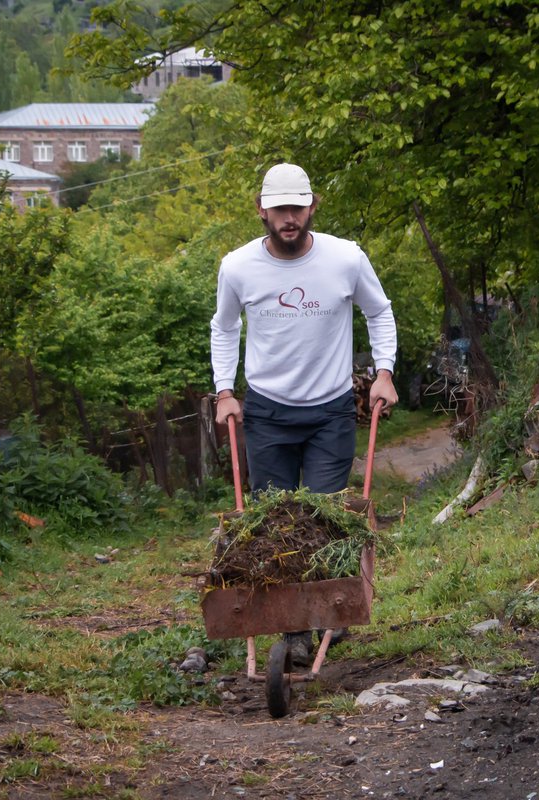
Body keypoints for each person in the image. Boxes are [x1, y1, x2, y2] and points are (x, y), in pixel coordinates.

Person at [209, 163, 398, 664]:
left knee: (323, 517)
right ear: (262, 210)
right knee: (274, 524)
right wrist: (224, 391)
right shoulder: (238, 267)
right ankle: (291, 629)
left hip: (330, 412)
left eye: (297, 207)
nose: (288, 218)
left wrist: (384, 372)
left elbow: (379, 311)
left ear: (313, 206)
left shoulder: (346, 259)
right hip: (268, 412)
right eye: (279, 210)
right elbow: (224, 328)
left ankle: (328, 610)